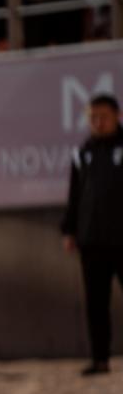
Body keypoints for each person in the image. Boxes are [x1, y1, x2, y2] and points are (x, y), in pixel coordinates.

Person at [61, 93, 123, 376]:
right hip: (92, 241)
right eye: (92, 118)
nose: (98, 122)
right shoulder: (83, 153)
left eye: (103, 117)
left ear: (117, 116)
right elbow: (75, 196)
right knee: (95, 303)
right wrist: (70, 230)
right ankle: (100, 360)